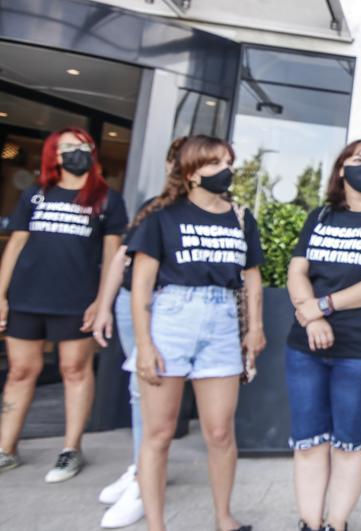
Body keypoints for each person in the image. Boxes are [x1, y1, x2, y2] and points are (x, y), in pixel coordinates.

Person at [125, 135, 266, 531]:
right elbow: (141, 287)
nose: (226, 169)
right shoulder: (161, 216)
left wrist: (255, 327)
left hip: (222, 319)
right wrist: (144, 345)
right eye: (215, 162)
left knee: (220, 431)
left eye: (228, 161)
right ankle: (156, 525)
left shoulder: (240, 217)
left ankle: (224, 518)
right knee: (159, 432)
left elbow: (252, 278)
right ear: (190, 172)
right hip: (172, 318)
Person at [284, 139, 361, 531]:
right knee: (309, 440)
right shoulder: (320, 216)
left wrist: (324, 307)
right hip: (305, 348)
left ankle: (335, 523)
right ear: (341, 169)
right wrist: (312, 319)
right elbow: (297, 272)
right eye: (358, 159)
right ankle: (310, 521)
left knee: (349, 442)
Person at [0, 127, 128, 481]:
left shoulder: (107, 200)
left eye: (84, 146)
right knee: (20, 371)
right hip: (26, 298)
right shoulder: (35, 195)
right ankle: (6, 448)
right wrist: (1, 296)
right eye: (69, 147)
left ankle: (71, 449)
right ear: (54, 155)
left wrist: (102, 301)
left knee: (75, 370)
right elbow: (15, 245)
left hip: (76, 301)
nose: (77, 152)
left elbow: (111, 253)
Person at [90, 136, 187, 528]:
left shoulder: (205, 211)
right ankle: (139, 469)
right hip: (132, 306)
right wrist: (103, 305)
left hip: (168, 311)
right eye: (175, 161)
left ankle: (143, 479)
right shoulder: (154, 208)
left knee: (148, 392)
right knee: (138, 392)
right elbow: (121, 259)